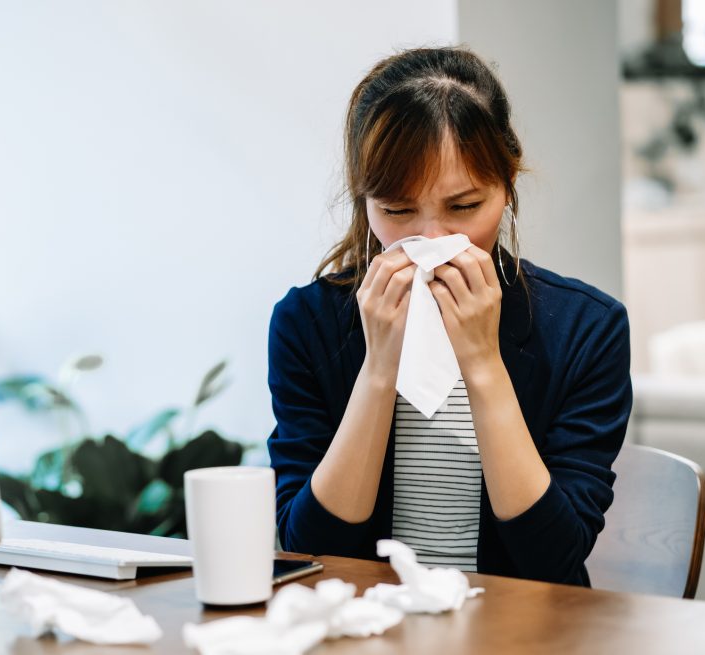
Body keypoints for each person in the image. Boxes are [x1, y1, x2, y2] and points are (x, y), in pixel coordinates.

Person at [266, 46, 632, 587]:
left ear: (507, 186)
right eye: (397, 210)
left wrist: (482, 363)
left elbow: (553, 558)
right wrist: (378, 370)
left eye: (463, 208)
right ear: (365, 201)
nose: (431, 241)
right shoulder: (307, 323)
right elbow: (314, 550)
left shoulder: (585, 329)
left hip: (524, 634)